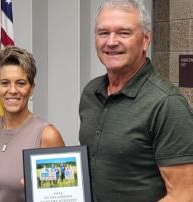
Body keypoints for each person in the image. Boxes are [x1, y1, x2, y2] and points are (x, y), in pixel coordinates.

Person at [79, 0, 193, 201]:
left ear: (145, 40)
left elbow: (184, 195)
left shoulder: (167, 104)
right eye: (103, 33)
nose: (111, 41)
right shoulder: (91, 92)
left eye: (124, 33)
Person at [0, 46, 65, 202]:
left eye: (21, 83)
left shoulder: (47, 136)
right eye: (5, 83)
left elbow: (60, 198)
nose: (12, 90)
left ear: (31, 89)